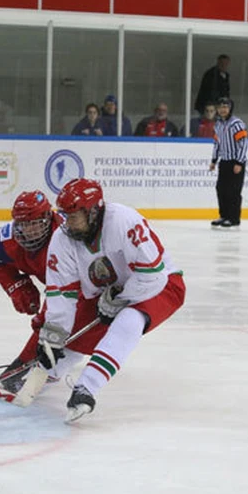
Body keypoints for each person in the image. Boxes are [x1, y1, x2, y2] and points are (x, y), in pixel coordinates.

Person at [38, 177, 185, 423]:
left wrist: (122, 297)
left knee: (129, 318)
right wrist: (52, 335)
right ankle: (47, 374)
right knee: (77, 332)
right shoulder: (62, 239)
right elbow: (61, 293)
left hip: (162, 286)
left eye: (73, 216)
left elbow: (153, 275)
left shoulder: (124, 221)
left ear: (93, 211)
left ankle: (87, 388)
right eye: (64, 215)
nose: (67, 222)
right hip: (109, 292)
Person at [0, 190, 61, 391]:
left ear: (48, 218)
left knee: (57, 322)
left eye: (34, 223)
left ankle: (28, 366)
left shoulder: (65, 238)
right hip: (55, 279)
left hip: (75, 281)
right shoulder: (7, 239)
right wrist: (16, 285)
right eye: (24, 224)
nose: (29, 230)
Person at [208, 97, 248, 228]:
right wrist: (214, 160)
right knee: (221, 189)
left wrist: (239, 162)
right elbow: (217, 143)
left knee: (233, 191)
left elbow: (243, 144)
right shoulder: (218, 124)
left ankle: (234, 218)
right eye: (220, 107)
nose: (223, 110)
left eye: (225, 107)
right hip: (224, 162)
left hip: (235, 162)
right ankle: (224, 215)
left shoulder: (236, 124)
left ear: (230, 108)